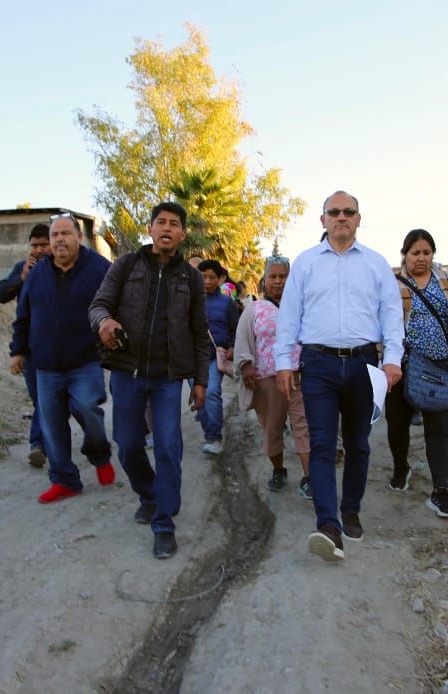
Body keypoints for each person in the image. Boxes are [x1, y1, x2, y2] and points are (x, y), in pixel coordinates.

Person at [276, 190, 404, 562]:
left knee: (358, 443)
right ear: (323, 220)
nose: (342, 217)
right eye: (334, 212)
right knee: (320, 445)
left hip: (364, 364)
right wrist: (285, 361)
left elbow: (391, 315)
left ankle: (350, 510)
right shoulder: (306, 263)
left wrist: (392, 360)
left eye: (349, 212)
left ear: (359, 219)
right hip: (317, 364)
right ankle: (328, 524)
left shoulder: (376, 264)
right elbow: (289, 316)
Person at [89, 201, 210, 559]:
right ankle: (149, 494)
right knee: (127, 444)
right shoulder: (126, 266)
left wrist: (200, 381)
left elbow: (200, 332)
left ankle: (164, 524)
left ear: (183, 234)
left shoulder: (192, 278)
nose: (167, 229)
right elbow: (98, 305)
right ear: (150, 229)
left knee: (169, 447)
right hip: (127, 372)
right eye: (161, 222)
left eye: (174, 224)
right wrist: (104, 323)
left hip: (167, 378)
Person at [10, 214, 115, 503]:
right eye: (54, 235)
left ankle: (99, 454)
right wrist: (17, 350)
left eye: (65, 234)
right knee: (52, 424)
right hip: (45, 365)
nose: (59, 240)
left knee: (88, 408)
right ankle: (65, 479)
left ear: (78, 237)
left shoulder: (98, 268)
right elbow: (24, 315)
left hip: (86, 360)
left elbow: (120, 300)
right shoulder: (37, 274)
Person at [386, 229, 448, 518]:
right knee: (397, 425)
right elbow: (383, 325)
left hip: (441, 368)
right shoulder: (392, 284)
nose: (422, 258)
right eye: (416, 253)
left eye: (427, 253)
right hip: (402, 367)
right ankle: (401, 466)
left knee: (437, 428)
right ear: (405, 255)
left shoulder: (446, 281)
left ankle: (441, 491)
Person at [234, 255, 312, 497]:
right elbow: (242, 341)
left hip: (301, 376)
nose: (278, 282)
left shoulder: (304, 306)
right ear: (264, 281)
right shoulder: (254, 310)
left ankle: (310, 478)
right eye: (273, 277)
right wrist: (246, 365)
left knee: (304, 426)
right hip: (267, 380)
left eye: (283, 276)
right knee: (272, 428)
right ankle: (279, 470)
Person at [0, 224, 52, 468]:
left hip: (60, 347)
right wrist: (23, 278)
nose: (38, 250)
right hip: (30, 346)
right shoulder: (22, 268)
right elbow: (0, 294)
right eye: (34, 245)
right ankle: (44, 441)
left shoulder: (61, 267)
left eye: (43, 245)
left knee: (51, 399)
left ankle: (39, 442)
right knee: (40, 399)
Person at [195, 259, 240, 454]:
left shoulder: (226, 302)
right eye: (203, 276)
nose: (207, 281)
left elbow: (236, 328)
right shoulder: (188, 300)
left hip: (215, 357)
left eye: (212, 277)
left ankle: (214, 437)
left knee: (212, 391)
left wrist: (231, 347)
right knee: (200, 397)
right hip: (191, 358)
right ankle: (209, 434)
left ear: (220, 279)